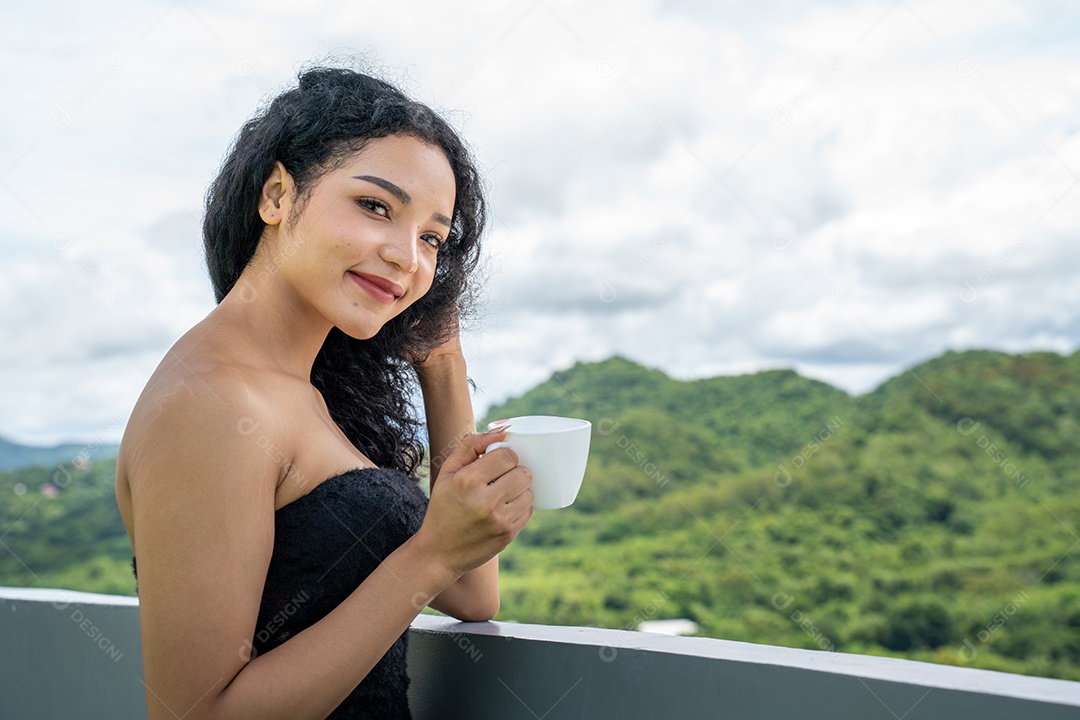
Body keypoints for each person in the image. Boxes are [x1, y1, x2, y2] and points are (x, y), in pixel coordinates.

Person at [114, 65, 534, 720]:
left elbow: (472, 594)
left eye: (432, 238)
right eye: (375, 207)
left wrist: (443, 364)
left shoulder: (306, 394)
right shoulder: (216, 403)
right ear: (278, 196)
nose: (408, 257)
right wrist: (428, 556)